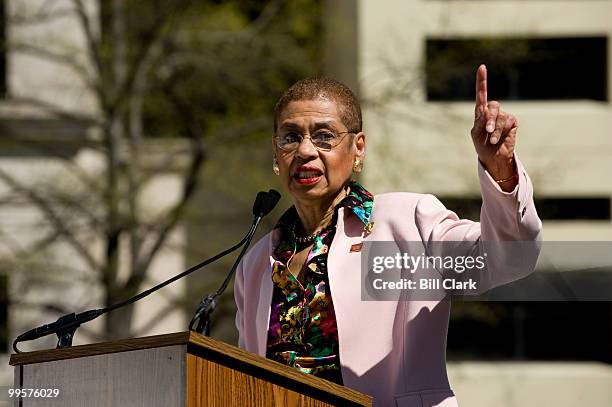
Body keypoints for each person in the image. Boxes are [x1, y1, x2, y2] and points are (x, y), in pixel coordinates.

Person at [233, 65, 542, 407]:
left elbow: (508, 259)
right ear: (276, 153)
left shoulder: (407, 223)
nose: (305, 151)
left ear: (358, 148)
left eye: (324, 136)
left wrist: (500, 172)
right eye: (290, 137)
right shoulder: (256, 263)